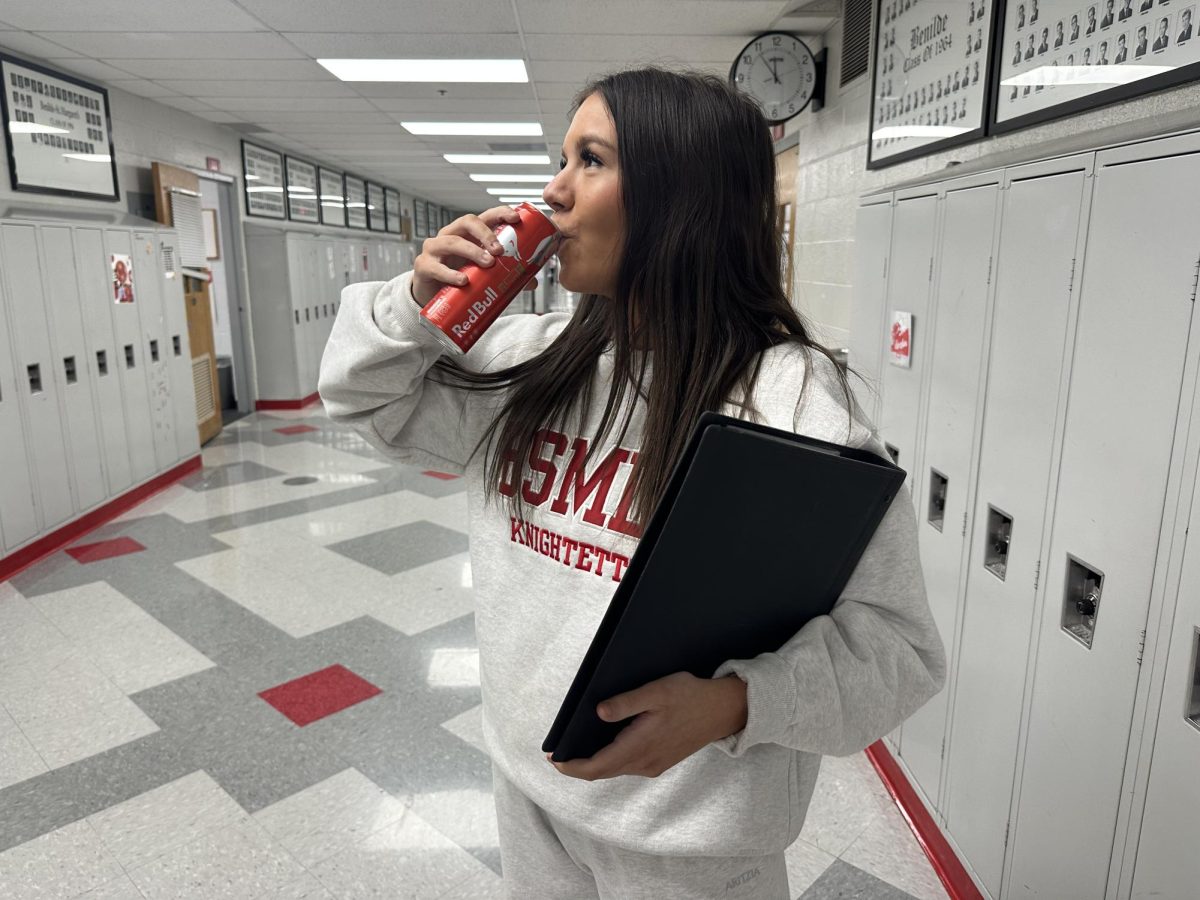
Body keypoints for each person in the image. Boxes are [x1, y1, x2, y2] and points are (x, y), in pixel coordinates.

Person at [318, 67, 945, 899]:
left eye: (590, 160)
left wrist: (732, 704)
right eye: (563, 157)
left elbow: (899, 655)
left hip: (690, 848)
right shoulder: (531, 364)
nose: (555, 188)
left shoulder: (788, 401)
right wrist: (411, 305)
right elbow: (359, 398)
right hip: (531, 798)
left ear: (679, 195)